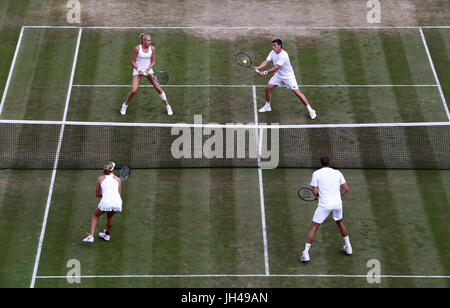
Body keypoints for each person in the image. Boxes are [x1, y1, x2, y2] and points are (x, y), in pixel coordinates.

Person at [301, 156, 351, 262]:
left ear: (320, 164)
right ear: (329, 163)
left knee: (314, 227)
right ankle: (348, 247)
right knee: (340, 223)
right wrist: (338, 197)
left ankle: (305, 253)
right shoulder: (337, 172)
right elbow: (346, 188)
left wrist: (320, 196)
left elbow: (314, 192)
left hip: (324, 204)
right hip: (337, 203)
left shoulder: (316, 174)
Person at [253, 39, 316, 119]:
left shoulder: (284, 55)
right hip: (278, 76)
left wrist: (264, 73)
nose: (273, 47)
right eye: (273, 45)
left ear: (279, 46)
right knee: (267, 88)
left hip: (288, 77)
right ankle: (267, 106)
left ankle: (311, 110)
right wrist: (258, 67)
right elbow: (266, 61)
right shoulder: (272, 52)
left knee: (297, 93)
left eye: (275, 45)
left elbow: (276, 68)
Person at [120, 33, 173, 116]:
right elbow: (132, 61)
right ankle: (124, 105)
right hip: (138, 70)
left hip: (148, 70)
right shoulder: (137, 48)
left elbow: (154, 61)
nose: (150, 42)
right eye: (148, 40)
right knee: (134, 90)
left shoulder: (152, 49)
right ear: (143, 41)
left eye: (150, 40)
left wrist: (148, 70)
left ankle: (168, 106)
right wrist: (139, 70)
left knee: (158, 88)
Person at [83, 162, 122, 243]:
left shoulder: (100, 179)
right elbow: (119, 194)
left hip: (107, 201)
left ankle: (91, 236)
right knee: (110, 216)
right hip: (117, 202)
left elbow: (97, 194)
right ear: (113, 169)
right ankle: (107, 235)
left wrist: (105, 195)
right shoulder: (118, 179)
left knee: (96, 215)